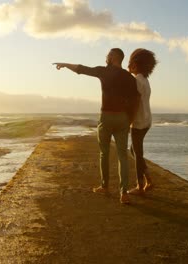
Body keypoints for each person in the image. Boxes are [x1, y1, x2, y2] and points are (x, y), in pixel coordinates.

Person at [53, 48, 139, 204]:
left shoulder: (104, 71)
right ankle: (124, 193)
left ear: (113, 57)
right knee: (122, 156)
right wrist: (130, 119)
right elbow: (135, 100)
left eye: (108, 55)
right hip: (122, 118)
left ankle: (105, 186)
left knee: (104, 153)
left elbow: (82, 69)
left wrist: (65, 64)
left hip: (106, 117)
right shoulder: (129, 77)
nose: (106, 57)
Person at [127, 48, 158, 195]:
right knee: (134, 150)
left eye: (130, 63)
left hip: (138, 121)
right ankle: (149, 180)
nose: (128, 66)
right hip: (147, 120)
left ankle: (140, 186)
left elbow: (135, 103)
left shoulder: (136, 81)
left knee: (137, 153)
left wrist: (129, 122)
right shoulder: (145, 80)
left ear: (135, 64)